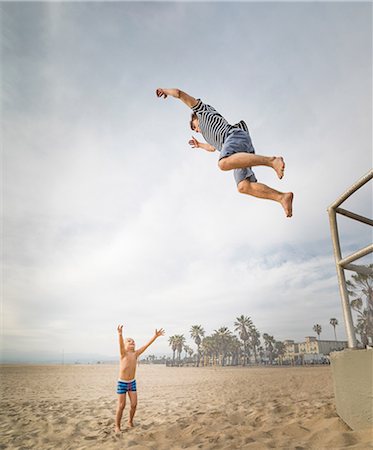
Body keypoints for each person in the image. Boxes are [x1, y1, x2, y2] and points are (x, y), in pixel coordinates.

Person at [156, 88, 294, 217]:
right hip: (237, 150)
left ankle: (272, 161)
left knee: (223, 163)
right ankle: (282, 197)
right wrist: (199, 145)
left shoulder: (201, 110)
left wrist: (165, 91)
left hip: (233, 136)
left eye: (194, 127)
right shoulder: (208, 136)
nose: (196, 130)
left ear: (195, 118)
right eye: (195, 131)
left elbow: (179, 93)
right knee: (243, 186)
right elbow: (211, 148)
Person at [115, 324, 165, 433]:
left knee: (134, 404)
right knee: (121, 405)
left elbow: (146, 346)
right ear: (124, 345)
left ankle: (130, 421)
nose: (132, 342)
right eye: (129, 341)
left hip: (132, 383)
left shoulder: (136, 354)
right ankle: (117, 426)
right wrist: (120, 334)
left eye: (133, 341)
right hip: (122, 383)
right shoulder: (123, 353)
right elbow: (120, 344)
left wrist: (155, 336)